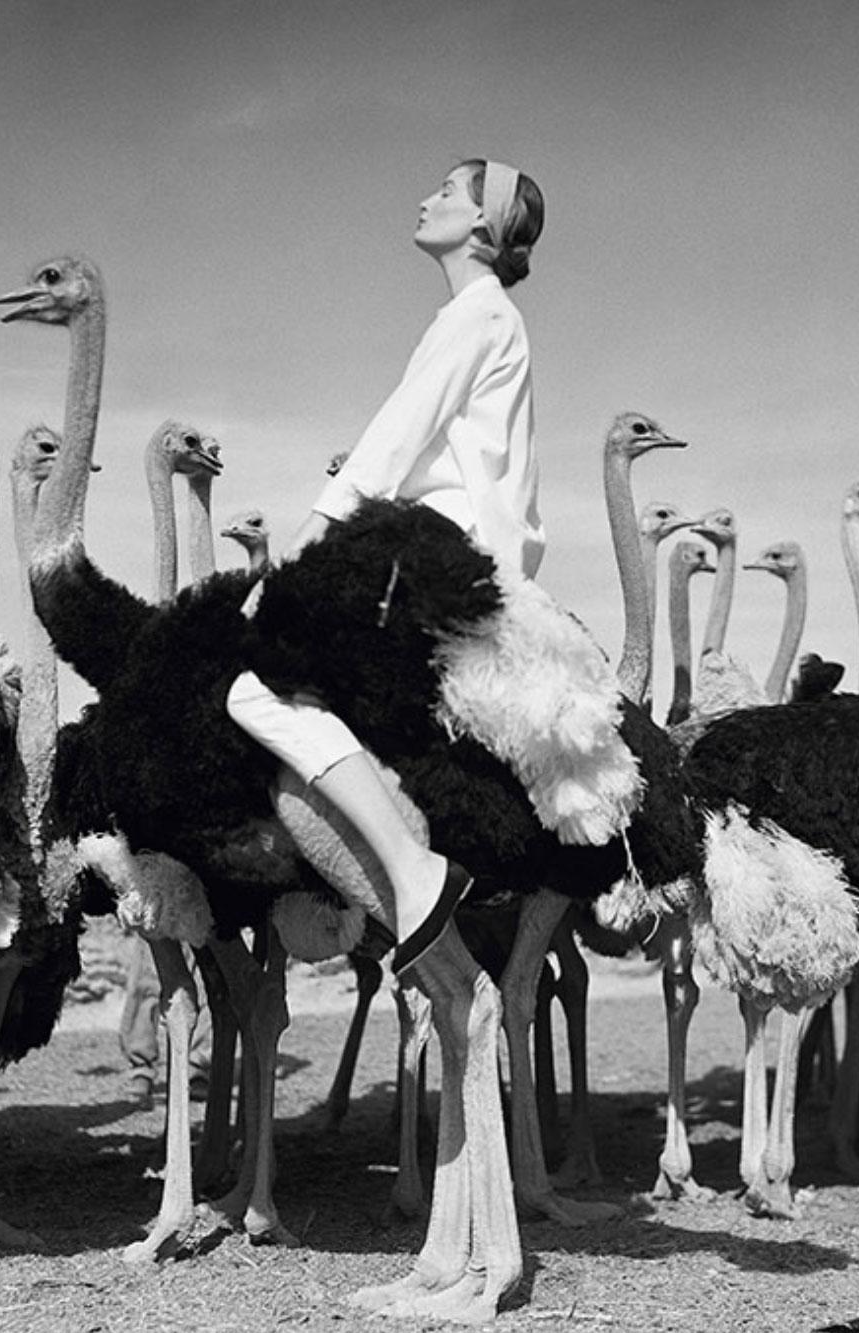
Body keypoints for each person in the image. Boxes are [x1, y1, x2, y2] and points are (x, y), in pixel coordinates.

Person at [227, 158, 546, 976]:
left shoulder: (475, 317)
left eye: (448, 190)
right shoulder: (489, 319)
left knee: (252, 687)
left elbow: (393, 439)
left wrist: (302, 542)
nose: (425, 198)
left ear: (483, 224)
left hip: (429, 565)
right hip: (445, 559)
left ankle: (412, 869)